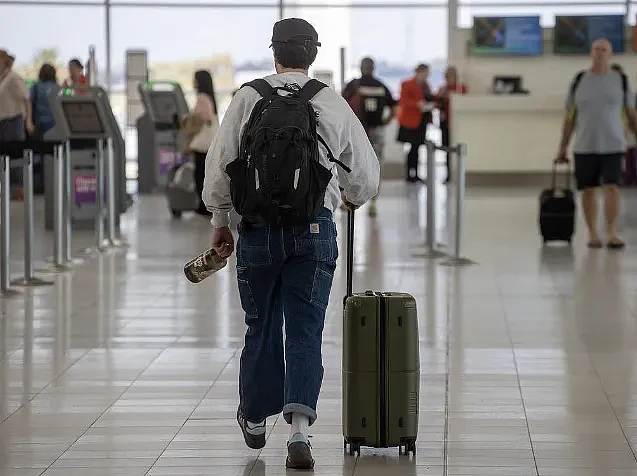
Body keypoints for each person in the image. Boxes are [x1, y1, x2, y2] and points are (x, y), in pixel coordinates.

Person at [202, 17, 379, 469]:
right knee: (305, 328)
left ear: (274, 54)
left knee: (261, 326)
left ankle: (256, 419)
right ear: (312, 54)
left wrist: (221, 220)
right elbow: (364, 178)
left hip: (257, 232)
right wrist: (353, 198)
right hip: (314, 230)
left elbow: (221, 164)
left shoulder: (248, 98)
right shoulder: (330, 102)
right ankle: (299, 430)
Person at [556, 38, 637, 249]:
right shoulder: (579, 81)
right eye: (596, 49)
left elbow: (631, 114)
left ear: (610, 55)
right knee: (588, 190)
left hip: (613, 144)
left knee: (613, 188)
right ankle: (592, 233)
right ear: (591, 53)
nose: (600, 53)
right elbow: (570, 117)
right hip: (585, 144)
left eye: (604, 50)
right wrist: (562, 147)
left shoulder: (620, 81)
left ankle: (611, 233)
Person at [342, 57, 397, 216]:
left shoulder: (353, 85)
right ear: (373, 68)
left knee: (348, 163)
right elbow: (395, 106)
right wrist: (386, 120)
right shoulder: (381, 86)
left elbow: (341, 105)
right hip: (377, 130)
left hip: (355, 131)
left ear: (361, 68)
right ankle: (373, 202)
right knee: (376, 165)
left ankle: (347, 199)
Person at [0, 50, 34, 199]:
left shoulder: (13, 78)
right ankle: (7, 188)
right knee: (4, 156)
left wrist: (28, 121)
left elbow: (26, 99)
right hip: (2, 120)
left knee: (15, 155)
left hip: (14, 120)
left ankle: (19, 189)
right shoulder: (2, 78)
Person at [397, 63, 436, 183]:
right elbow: (403, 101)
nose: (427, 76)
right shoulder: (407, 84)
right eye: (425, 73)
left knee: (418, 147)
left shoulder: (426, 85)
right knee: (413, 147)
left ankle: (416, 173)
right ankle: (410, 173)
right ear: (419, 72)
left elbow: (429, 98)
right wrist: (417, 104)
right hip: (411, 120)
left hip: (422, 120)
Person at [189, 69, 218, 216]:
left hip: (202, 144)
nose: (193, 82)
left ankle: (203, 206)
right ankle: (205, 205)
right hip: (210, 142)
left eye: (194, 79)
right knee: (205, 174)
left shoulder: (202, 97)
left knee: (199, 175)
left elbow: (205, 118)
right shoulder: (210, 96)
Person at [436, 66, 468, 184]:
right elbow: (436, 103)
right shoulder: (442, 88)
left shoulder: (461, 88)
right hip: (445, 124)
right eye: (446, 76)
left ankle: (459, 173)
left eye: (450, 76)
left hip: (458, 124)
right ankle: (448, 174)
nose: (448, 78)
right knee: (447, 150)